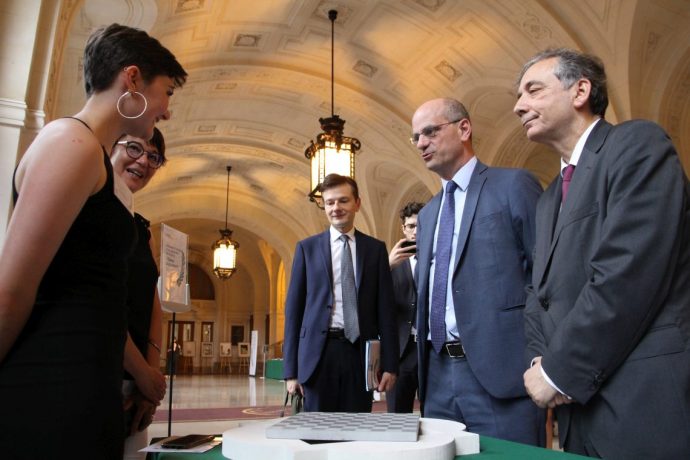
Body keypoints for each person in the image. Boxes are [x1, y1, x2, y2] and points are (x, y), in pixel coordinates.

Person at [0, 24, 186, 459]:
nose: (166, 112)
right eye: (166, 93)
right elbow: (13, 288)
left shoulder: (91, 154)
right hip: (50, 387)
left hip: (84, 385)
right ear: (133, 79)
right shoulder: (71, 142)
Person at [514, 48, 690, 458]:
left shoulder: (637, 144)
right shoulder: (549, 197)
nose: (519, 106)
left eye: (533, 90)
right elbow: (538, 294)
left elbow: (627, 274)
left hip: (640, 401)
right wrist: (543, 363)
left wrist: (558, 372)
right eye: (518, 96)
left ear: (580, 91)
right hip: (577, 408)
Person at [411, 98, 544, 444]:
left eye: (430, 132)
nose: (421, 143)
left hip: (503, 374)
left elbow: (543, 279)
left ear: (464, 128)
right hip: (437, 376)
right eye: (416, 138)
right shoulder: (427, 216)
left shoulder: (513, 186)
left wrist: (543, 361)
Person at [283, 174, 399, 412]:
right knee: (316, 432)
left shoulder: (375, 250)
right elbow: (294, 312)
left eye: (343, 201)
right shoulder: (307, 249)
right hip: (318, 355)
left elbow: (386, 311)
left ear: (357, 203)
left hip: (360, 356)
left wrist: (390, 365)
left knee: (356, 430)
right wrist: (291, 372)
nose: (336, 208)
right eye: (330, 202)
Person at [113, 128, 168, 459]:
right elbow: (100, 305)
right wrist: (140, 372)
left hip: (136, 384)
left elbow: (152, 302)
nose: (143, 161)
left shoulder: (141, 230)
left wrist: (149, 380)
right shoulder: (84, 210)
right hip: (99, 371)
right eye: (134, 148)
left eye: (153, 157)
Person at [386, 201, 425, 413]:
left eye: (421, 225)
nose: (416, 231)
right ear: (403, 229)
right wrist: (387, 266)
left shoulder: (438, 260)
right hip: (402, 351)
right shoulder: (390, 265)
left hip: (430, 349)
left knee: (435, 415)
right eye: (411, 226)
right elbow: (373, 299)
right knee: (397, 416)